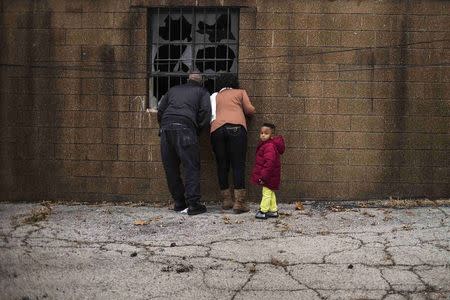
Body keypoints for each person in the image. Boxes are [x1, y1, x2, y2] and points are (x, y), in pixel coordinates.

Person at [157, 71, 211, 215]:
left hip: (166, 128)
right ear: (202, 81)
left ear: (188, 79)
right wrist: (197, 130)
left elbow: (161, 110)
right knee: (191, 166)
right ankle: (193, 204)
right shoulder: (202, 91)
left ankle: (179, 202)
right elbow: (206, 113)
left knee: (171, 167)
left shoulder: (173, 89)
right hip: (186, 127)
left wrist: (163, 126)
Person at [210, 73, 255, 213]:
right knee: (238, 165)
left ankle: (226, 200)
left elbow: (209, 114)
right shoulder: (240, 92)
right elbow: (250, 110)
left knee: (222, 165)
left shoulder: (214, 96)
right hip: (236, 128)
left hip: (217, 130)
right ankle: (239, 203)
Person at [250, 123, 285, 219]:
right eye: (261, 133)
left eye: (266, 133)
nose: (263, 135)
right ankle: (273, 210)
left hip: (269, 176)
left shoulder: (269, 146)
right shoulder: (266, 145)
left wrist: (263, 177)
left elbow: (269, 163)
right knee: (270, 192)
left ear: (271, 136)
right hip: (270, 175)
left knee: (266, 193)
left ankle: (263, 210)